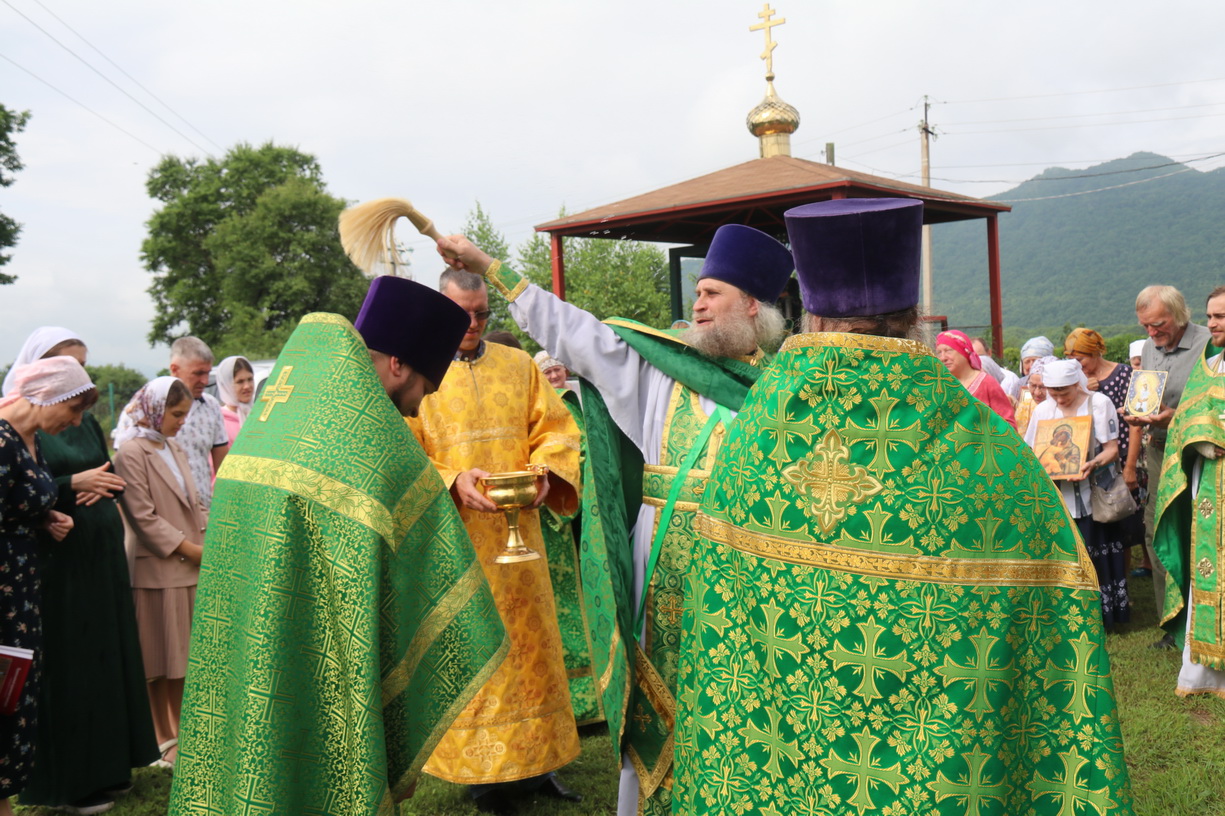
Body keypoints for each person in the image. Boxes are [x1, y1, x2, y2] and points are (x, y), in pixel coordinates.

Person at [672, 198, 1132, 814]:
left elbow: (718, 610)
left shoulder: (752, 439)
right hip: (942, 776)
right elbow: (1051, 595)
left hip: (780, 753)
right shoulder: (992, 455)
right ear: (912, 317)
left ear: (811, 314)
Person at [435, 222, 794, 816]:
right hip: (661, 574)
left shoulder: (785, 389)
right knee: (657, 706)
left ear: (751, 306)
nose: (698, 305)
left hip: (742, 577)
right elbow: (580, 336)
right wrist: (489, 265)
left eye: (712, 293)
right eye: (698, 292)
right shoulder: (665, 370)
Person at [166, 276, 508, 816]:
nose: (420, 407)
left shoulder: (277, 425)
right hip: (312, 670)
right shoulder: (371, 446)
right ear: (398, 363)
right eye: (427, 386)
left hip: (238, 657)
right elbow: (435, 572)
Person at [406, 267, 584, 811]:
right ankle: (485, 776)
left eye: (483, 314)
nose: (474, 324)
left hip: (521, 543)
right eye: (462, 315)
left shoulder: (517, 365)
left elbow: (556, 430)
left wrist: (544, 473)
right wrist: (451, 480)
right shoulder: (417, 373)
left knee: (531, 656)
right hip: (457, 542)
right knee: (477, 656)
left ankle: (540, 763)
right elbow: (403, 449)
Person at [2, 329, 157, 815]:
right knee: (40, 682)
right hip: (32, 578)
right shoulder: (9, 435)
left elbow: (27, 496)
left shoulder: (47, 432)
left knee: (83, 668)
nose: (75, 420)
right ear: (48, 385)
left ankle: (103, 766)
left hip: (60, 569)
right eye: (72, 408)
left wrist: (49, 510)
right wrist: (65, 491)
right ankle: (61, 781)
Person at [0, 357, 89, 816]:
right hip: (3, 597)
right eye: (72, 409)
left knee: (11, 704)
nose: (74, 422)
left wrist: (42, 517)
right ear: (48, 395)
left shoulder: (27, 440)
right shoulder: (1, 441)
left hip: (20, 593)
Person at [112, 377, 205, 772]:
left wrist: (212, 536)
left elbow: (193, 503)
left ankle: (183, 731)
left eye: (185, 414)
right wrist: (192, 551)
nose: (182, 422)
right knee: (156, 660)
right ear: (153, 409)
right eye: (176, 414)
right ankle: (159, 736)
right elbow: (143, 517)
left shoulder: (173, 446)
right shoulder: (131, 451)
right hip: (155, 568)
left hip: (187, 566)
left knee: (181, 656)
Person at [1128, 285, 1211, 648]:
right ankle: (1172, 623)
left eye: (1158, 324)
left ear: (1179, 315)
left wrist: (1175, 416)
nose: (1151, 332)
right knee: (1156, 530)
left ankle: (1203, 622)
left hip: (1197, 453)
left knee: (1196, 533)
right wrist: (1140, 414)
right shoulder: (1149, 347)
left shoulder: (1209, 344)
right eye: (1145, 326)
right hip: (1160, 450)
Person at [1153, 285, 1225, 696]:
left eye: (1221, 316)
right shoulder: (1208, 366)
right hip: (1211, 481)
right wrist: (1200, 442)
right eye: (1210, 316)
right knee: (1209, 570)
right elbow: (1185, 420)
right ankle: (1205, 673)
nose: (1212, 324)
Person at [1024, 360, 1130, 627]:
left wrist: (1092, 463)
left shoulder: (1099, 403)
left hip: (1094, 495)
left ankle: (1104, 616)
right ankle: (1071, 615)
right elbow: (1032, 451)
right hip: (1060, 498)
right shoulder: (1043, 410)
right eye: (1054, 393)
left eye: (1064, 393)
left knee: (1096, 554)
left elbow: (1112, 449)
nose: (1059, 399)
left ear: (1076, 384)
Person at [112, 337, 229, 511]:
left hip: (202, 511)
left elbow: (223, 464)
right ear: (174, 369)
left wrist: (224, 504)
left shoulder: (211, 406)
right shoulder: (143, 410)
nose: (205, 381)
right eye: (198, 373)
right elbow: (125, 467)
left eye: (207, 373)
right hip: (160, 512)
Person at [935, 329, 1017, 428]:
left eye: (948, 351)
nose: (943, 358)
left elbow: (1008, 425)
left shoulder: (987, 383)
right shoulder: (940, 387)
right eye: (939, 353)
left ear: (964, 351)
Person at [215, 355, 255, 446]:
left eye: (250, 379)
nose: (247, 386)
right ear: (226, 385)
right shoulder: (220, 422)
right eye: (240, 382)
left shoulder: (261, 415)